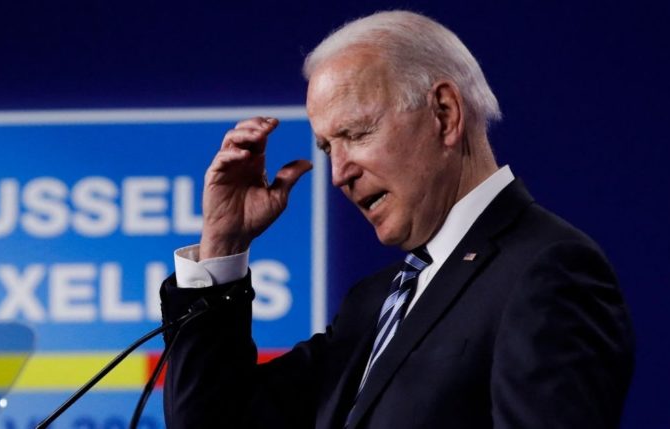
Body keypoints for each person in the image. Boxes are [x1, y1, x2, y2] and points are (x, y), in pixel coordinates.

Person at [160, 10, 635, 429]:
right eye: (328, 148)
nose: (339, 174)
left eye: (357, 133)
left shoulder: (546, 271)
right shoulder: (374, 303)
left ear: (444, 114)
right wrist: (222, 244)